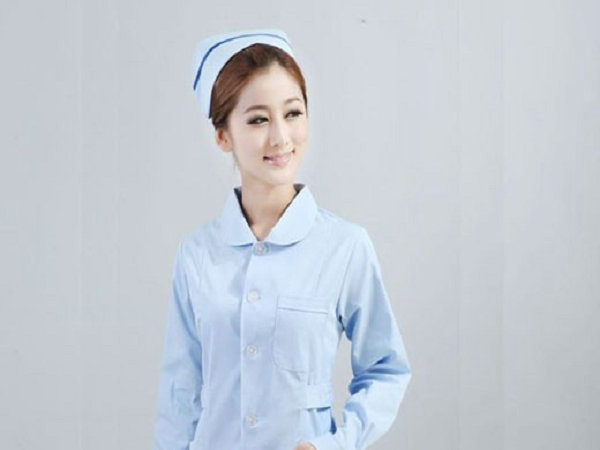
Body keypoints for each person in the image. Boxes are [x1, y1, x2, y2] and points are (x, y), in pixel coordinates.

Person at [152, 28, 412, 450]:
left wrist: (335, 444)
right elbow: (178, 396)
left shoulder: (344, 247)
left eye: (293, 113)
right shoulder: (197, 254)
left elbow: (387, 369)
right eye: (258, 119)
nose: (281, 138)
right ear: (223, 136)